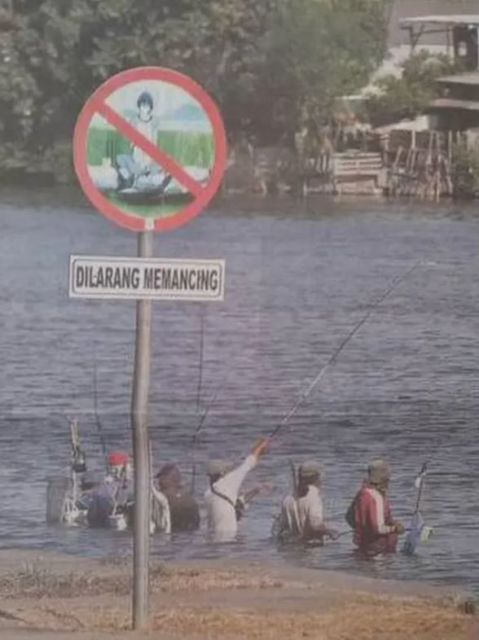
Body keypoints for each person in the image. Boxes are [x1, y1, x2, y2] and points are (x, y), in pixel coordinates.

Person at [205, 438, 268, 540]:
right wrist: (261, 446)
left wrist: (255, 491)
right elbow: (249, 463)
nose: (228, 472)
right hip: (229, 541)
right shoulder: (227, 482)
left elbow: (231, 504)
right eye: (226, 471)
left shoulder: (208, 494)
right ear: (222, 474)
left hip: (214, 540)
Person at [346, 459, 405, 556]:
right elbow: (378, 529)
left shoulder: (362, 493)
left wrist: (362, 530)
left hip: (364, 547)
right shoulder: (376, 497)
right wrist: (395, 529)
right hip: (378, 551)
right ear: (383, 479)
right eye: (388, 478)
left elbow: (348, 517)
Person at [115, 90, 170, 193]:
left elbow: (155, 139)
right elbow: (131, 138)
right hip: (137, 151)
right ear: (139, 106)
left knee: (160, 165)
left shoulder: (154, 121)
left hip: (150, 153)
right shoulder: (134, 120)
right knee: (122, 160)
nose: (145, 108)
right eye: (142, 105)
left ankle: (149, 179)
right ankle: (132, 180)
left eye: (147, 105)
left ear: (150, 107)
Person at [278, 461, 338, 545]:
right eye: (319, 476)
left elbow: (282, 528)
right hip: (310, 551)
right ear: (315, 478)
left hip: (291, 550)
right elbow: (315, 525)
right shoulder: (313, 497)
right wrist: (330, 532)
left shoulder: (287, 499)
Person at [155, 464, 200, 532]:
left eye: (161, 478)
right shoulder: (189, 498)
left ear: (166, 478)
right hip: (190, 536)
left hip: (171, 534)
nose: (159, 482)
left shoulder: (162, 497)